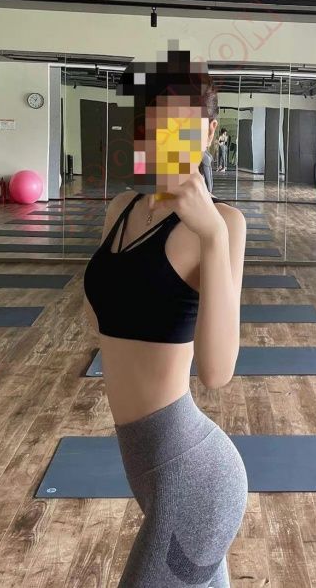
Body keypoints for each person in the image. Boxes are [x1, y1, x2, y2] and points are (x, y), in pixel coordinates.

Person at [83, 48, 248, 587]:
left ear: (209, 132)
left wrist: (212, 235)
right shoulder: (120, 210)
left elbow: (217, 372)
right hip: (148, 471)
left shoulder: (225, 224)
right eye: (157, 122)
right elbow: (107, 317)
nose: (170, 136)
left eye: (185, 123)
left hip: (196, 480)